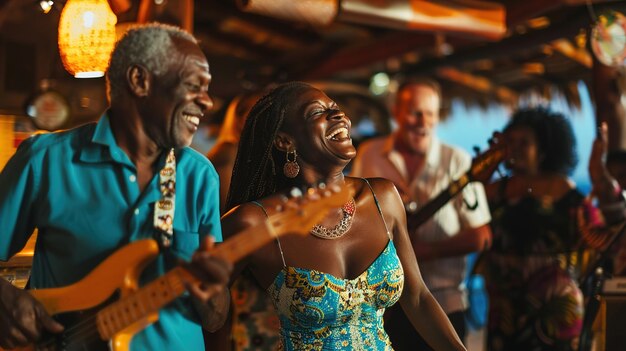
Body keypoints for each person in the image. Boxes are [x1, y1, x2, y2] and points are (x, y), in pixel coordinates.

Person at [0, 23, 232, 350]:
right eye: (195, 85)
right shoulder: (45, 161)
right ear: (140, 81)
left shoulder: (199, 176)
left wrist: (214, 292)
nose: (207, 102)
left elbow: (214, 319)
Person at [221, 81, 467, 350]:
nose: (338, 115)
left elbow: (418, 297)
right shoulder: (254, 222)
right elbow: (210, 317)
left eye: (335, 108)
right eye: (317, 112)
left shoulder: (382, 197)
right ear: (284, 140)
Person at [350, 78, 492, 349]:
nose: (423, 121)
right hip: (383, 307)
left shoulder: (457, 161)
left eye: (431, 114)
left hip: (444, 303)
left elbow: (482, 236)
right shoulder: (370, 154)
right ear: (397, 113)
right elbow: (353, 217)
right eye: (416, 112)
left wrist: (429, 251)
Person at [480, 107, 586, 351]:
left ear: (543, 150)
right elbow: (467, 217)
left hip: (553, 304)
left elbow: (593, 234)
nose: (515, 148)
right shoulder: (497, 189)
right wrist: (484, 173)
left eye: (524, 142)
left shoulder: (562, 188)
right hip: (505, 305)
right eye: (511, 141)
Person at [206, 90, 280, 351]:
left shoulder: (247, 154)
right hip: (244, 261)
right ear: (239, 120)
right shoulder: (229, 153)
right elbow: (230, 213)